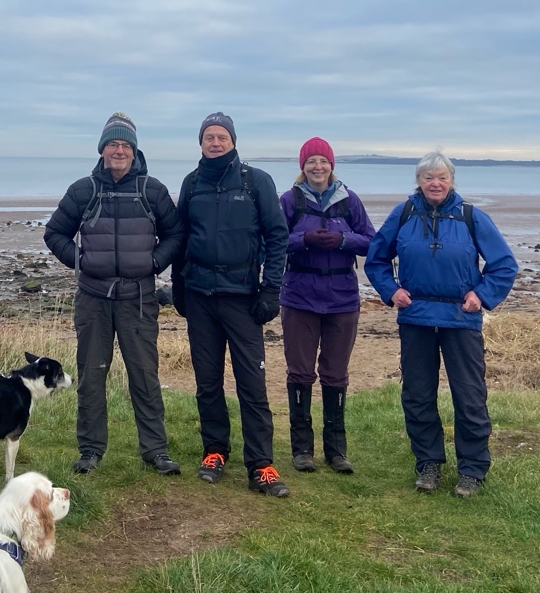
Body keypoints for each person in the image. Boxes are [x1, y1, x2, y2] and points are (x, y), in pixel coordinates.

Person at [364, 150, 518, 498]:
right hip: (416, 317)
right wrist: (391, 291)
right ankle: (428, 464)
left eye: (442, 177)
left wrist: (481, 295)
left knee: (470, 397)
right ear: (418, 181)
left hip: (460, 319)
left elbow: (504, 264)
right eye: (428, 177)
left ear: (451, 181)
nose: (435, 183)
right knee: (417, 395)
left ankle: (472, 471)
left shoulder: (470, 216)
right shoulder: (403, 214)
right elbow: (376, 259)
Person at [43, 112, 187, 476]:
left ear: (134, 151)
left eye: (125, 145)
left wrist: (155, 262)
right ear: (102, 150)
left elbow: (176, 234)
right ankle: (90, 451)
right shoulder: (84, 190)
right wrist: (80, 260)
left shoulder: (151, 191)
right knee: (91, 377)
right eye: (112, 144)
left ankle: (156, 451)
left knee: (145, 376)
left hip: (138, 299)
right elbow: (54, 233)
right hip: (93, 299)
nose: (119, 150)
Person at [171, 112, 290, 497]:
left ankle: (261, 464)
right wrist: (177, 286)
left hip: (243, 297)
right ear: (201, 143)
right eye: (209, 136)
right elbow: (181, 237)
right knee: (207, 382)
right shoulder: (192, 183)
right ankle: (214, 452)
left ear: (233, 141)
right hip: (200, 297)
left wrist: (271, 290)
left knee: (252, 383)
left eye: (222, 136)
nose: (216, 142)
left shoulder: (256, 181)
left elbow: (277, 237)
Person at [279, 137, 375, 475]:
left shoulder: (349, 201)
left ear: (331, 166)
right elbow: (271, 241)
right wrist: (303, 240)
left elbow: (372, 242)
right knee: (300, 372)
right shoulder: (289, 200)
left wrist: (344, 240)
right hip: (299, 297)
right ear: (302, 167)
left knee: (335, 373)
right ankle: (302, 449)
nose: (317, 167)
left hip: (342, 298)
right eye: (311, 162)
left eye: (323, 161)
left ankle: (336, 451)